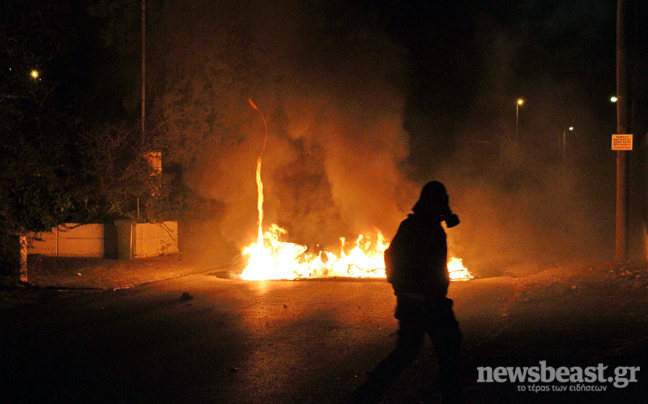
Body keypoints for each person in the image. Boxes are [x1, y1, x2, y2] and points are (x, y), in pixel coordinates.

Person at [350, 181, 463, 404]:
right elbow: (391, 257)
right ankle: (451, 396)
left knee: (413, 351)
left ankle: (368, 392)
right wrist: (402, 287)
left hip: (425, 300)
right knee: (440, 348)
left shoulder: (426, 224)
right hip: (424, 301)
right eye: (442, 202)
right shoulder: (418, 227)